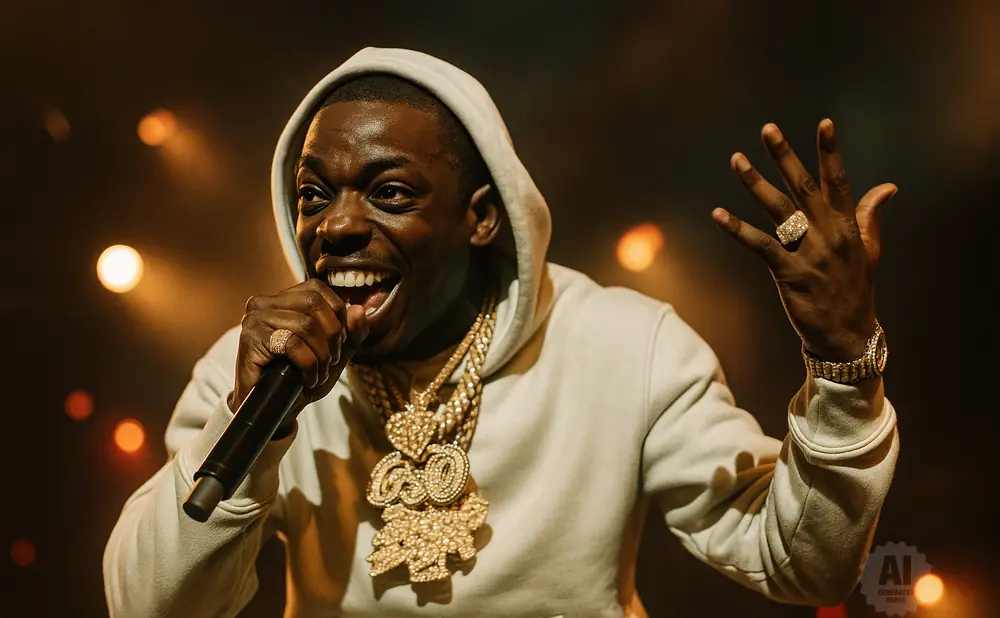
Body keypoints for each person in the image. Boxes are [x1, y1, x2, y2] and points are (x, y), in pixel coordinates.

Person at [103, 47, 899, 618]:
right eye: (314, 195)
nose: (335, 226)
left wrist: (842, 365)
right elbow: (148, 607)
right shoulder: (255, 368)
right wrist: (255, 423)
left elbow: (804, 565)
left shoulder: (624, 345)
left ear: (481, 217)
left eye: (388, 192)